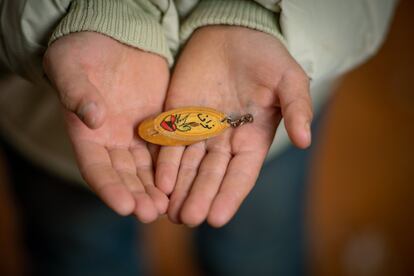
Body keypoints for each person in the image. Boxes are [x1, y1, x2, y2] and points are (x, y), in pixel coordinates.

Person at [0, 0, 397, 275]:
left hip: (268, 119)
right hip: (53, 132)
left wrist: (268, 17)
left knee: (259, 254)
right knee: (81, 255)